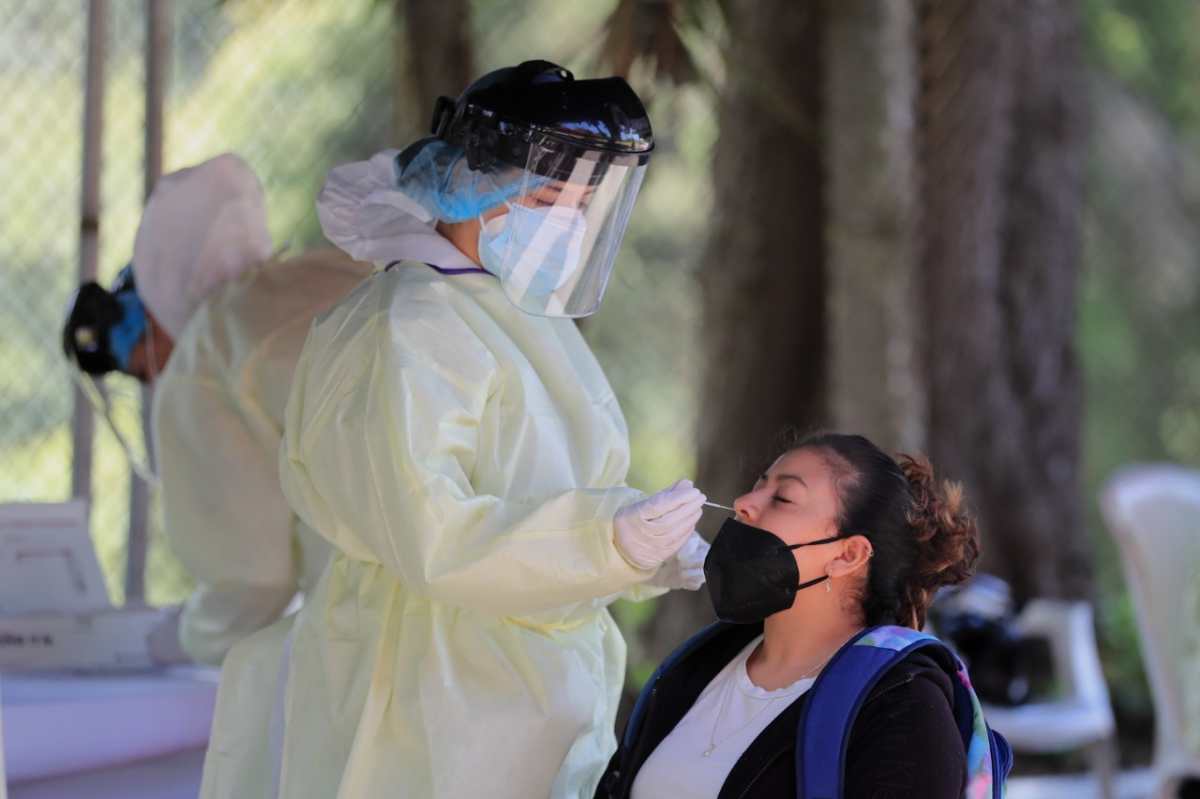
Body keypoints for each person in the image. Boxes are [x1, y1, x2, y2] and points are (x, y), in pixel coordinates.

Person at [200, 60, 710, 799]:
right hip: (432, 689)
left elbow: (543, 480)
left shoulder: (509, 311)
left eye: (582, 205)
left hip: (515, 689)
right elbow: (432, 534)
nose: (569, 225)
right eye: (549, 199)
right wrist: (605, 542)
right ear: (475, 186)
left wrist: (641, 546)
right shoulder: (411, 323)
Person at [62, 153, 373, 665]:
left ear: (158, 298)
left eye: (144, 367)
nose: (154, 378)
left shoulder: (206, 355)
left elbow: (251, 582)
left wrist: (184, 639)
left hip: (373, 637)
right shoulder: (338, 270)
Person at [598, 432, 1003, 799]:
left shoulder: (903, 703)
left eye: (783, 498)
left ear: (848, 555)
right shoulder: (699, 664)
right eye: (759, 484)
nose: (743, 503)